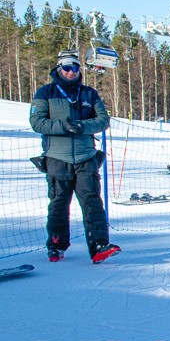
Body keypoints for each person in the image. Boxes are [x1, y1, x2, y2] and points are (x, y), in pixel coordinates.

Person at [28, 49, 120, 264]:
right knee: (59, 202)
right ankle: (56, 244)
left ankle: (99, 245)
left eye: (75, 68)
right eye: (67, 68)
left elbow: (103, 120)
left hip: (86, 156)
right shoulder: (45, 93)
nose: (71, 72)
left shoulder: (89, 94)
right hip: (57, 157)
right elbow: (37, 122)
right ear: (59, 68)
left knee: (92, 201)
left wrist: (81, 126)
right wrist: (63, 126)